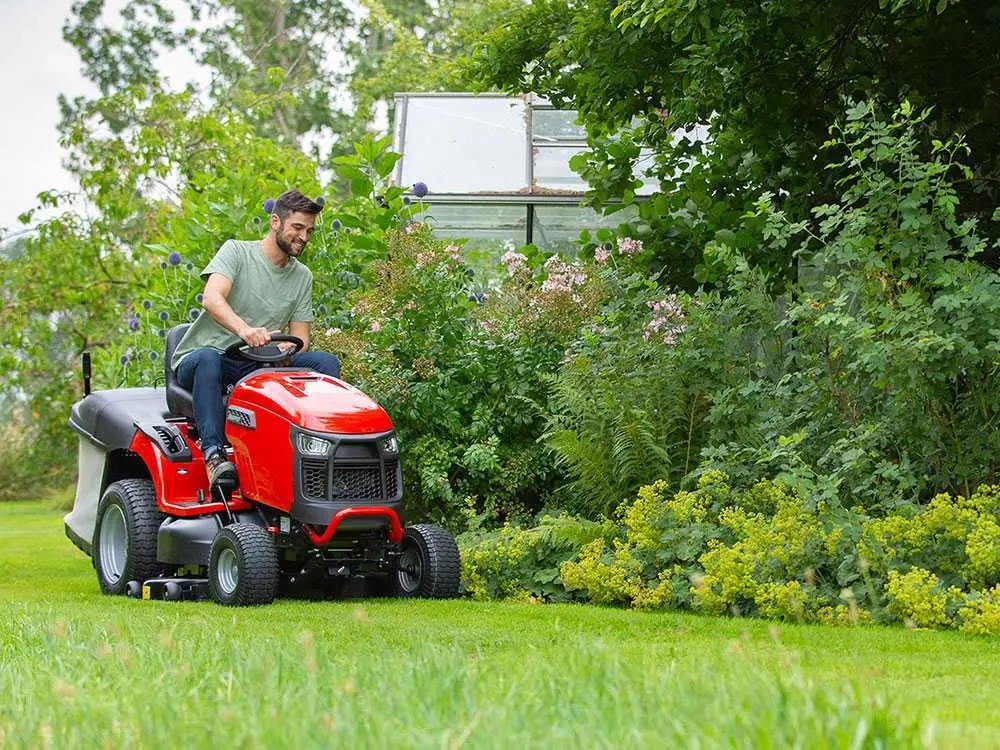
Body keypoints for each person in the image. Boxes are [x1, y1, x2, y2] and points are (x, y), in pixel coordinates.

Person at [170, 189, 341, 491]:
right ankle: (213, 457)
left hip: (258, 362)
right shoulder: (236, 251)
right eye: (298, 228)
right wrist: (245, 330)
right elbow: (211, 298)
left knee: (324, 363)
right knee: (209, 358)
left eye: (310, 230)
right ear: (276, 221)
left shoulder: (302, 277)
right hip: (206, 359)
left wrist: (287, 349)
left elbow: (301, 336)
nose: (304, 237)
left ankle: (320, 454)